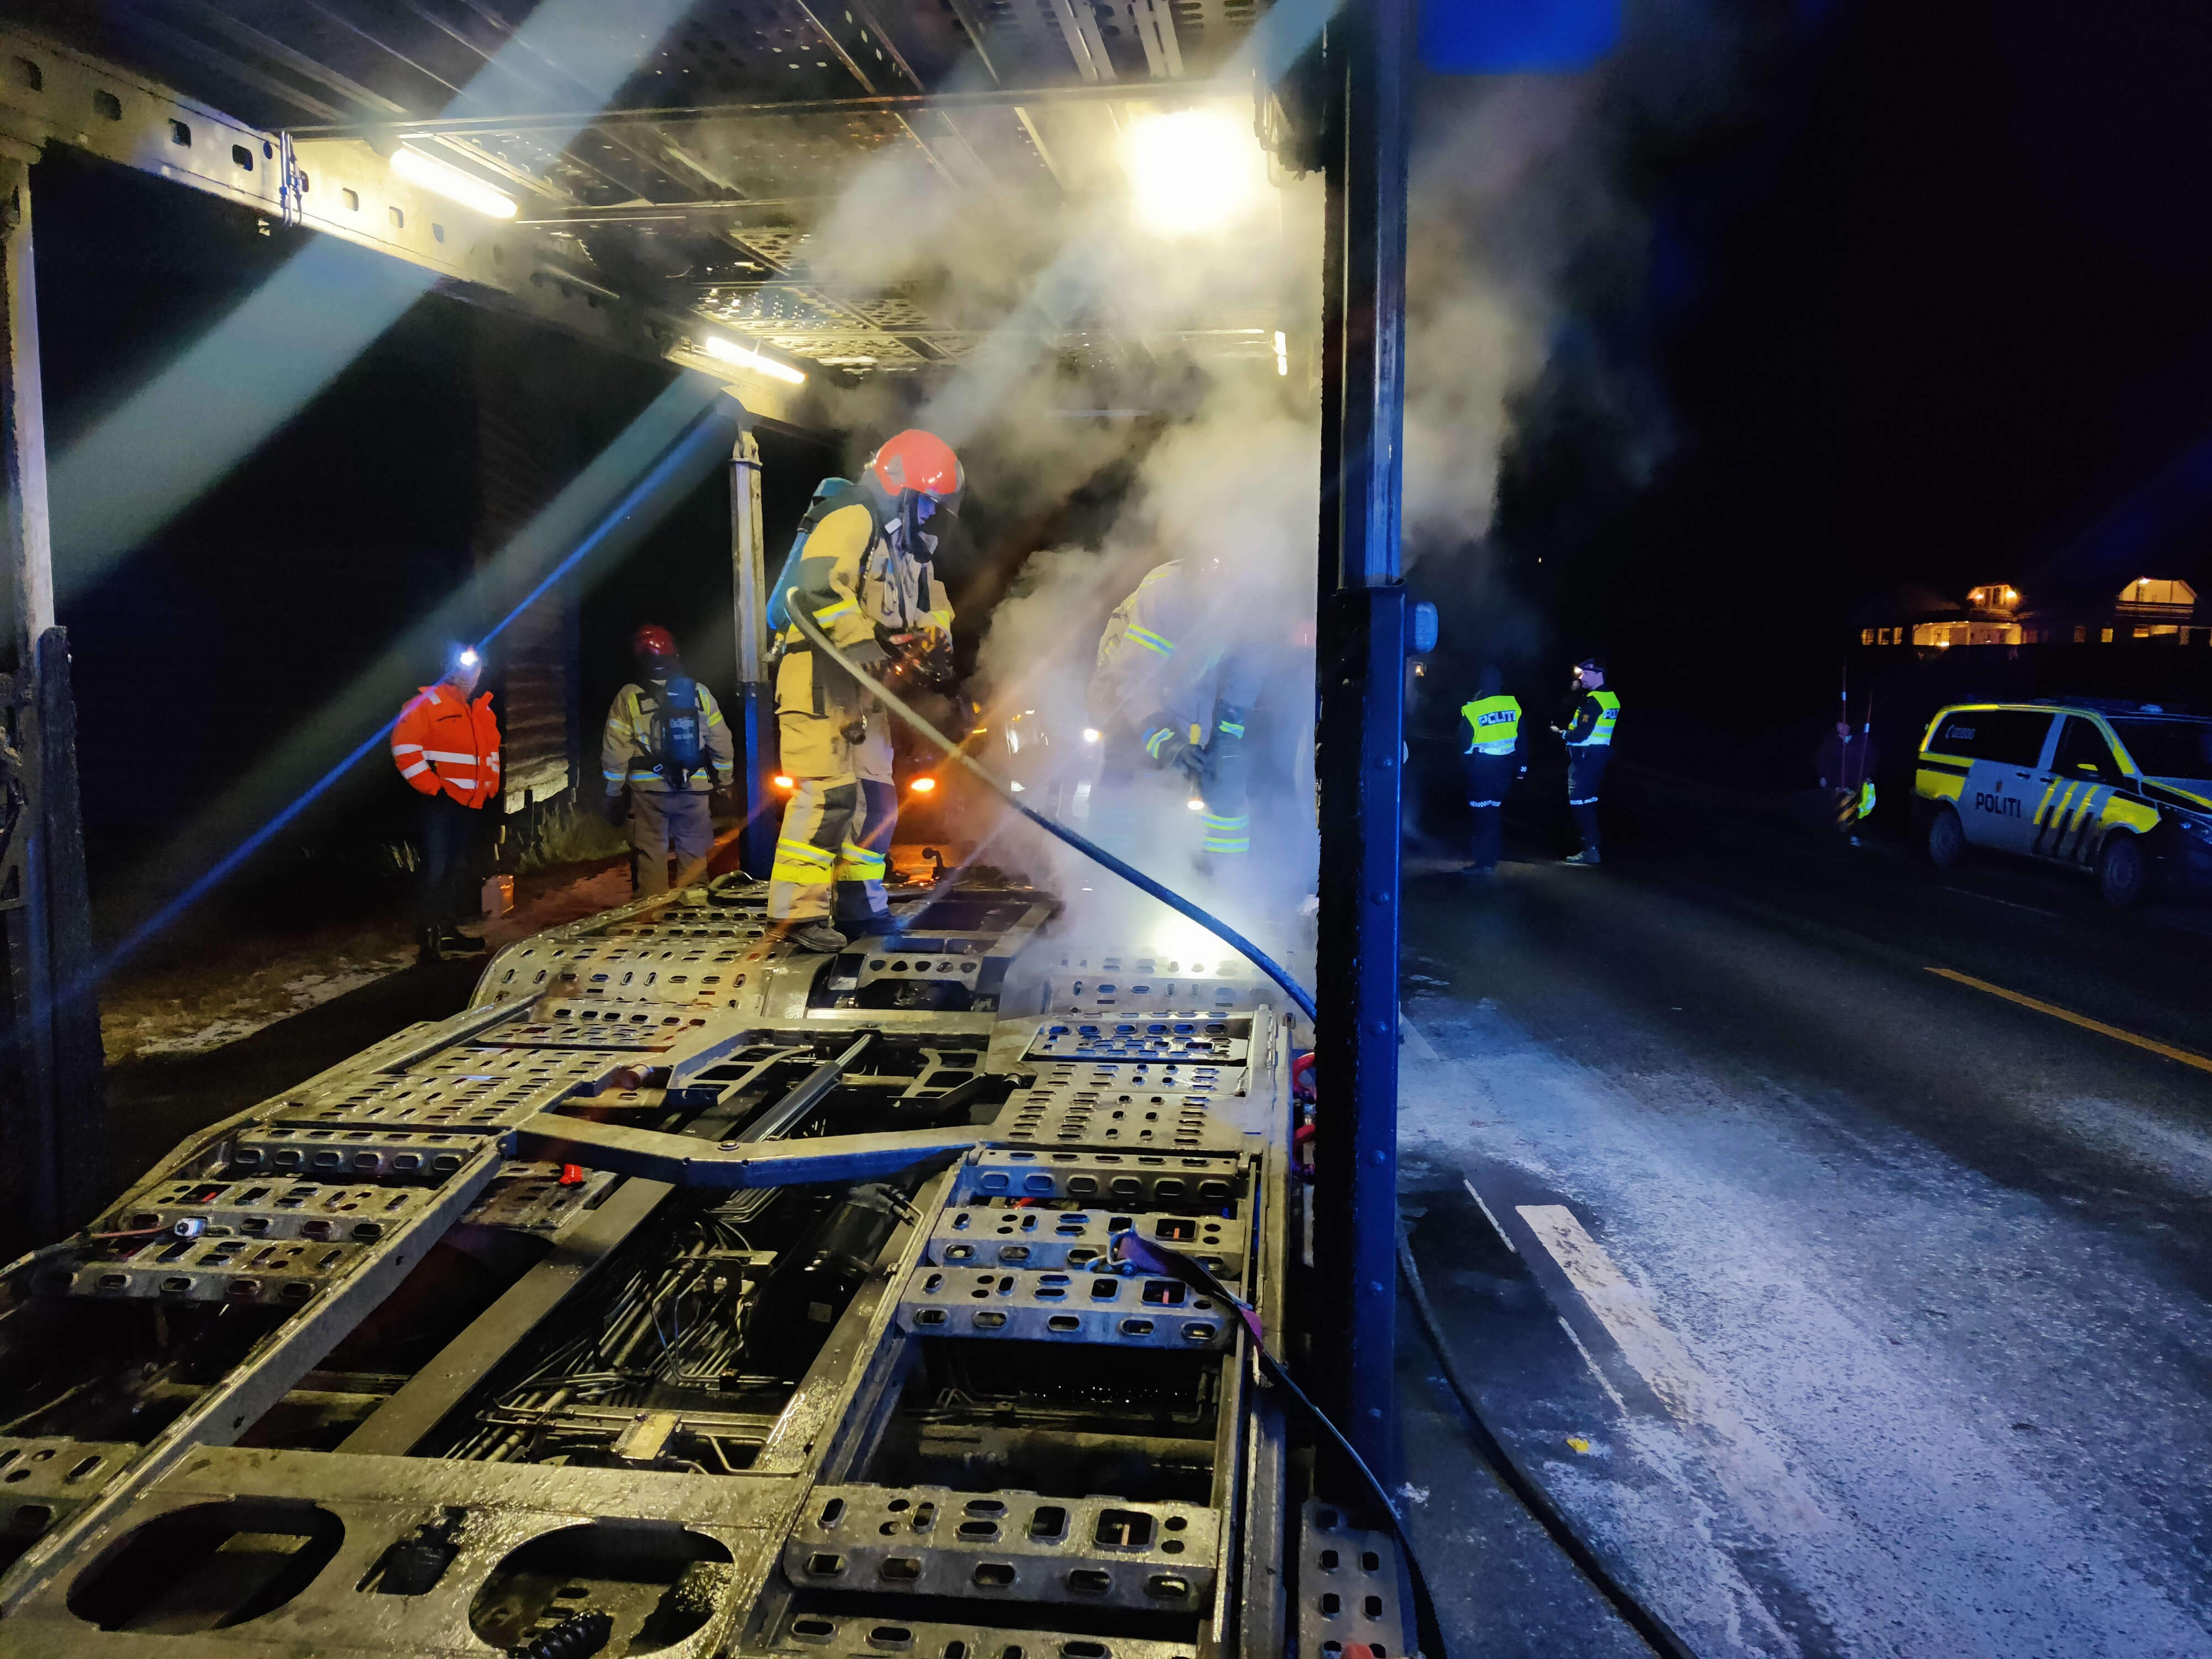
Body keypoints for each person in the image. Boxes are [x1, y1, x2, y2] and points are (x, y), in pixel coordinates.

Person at [769, 429, 961, 952]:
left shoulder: (905, 547)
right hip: (819, 680)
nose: (931, 515)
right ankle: (796, 917)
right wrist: (866, 644)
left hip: (864, 691)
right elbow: (816, 590)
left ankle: (860, 904)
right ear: (901, 486)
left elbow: (932, 605)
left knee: (877, 800)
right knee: (827, 796)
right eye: (928, 502)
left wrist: (932, 638)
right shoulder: (852, 517)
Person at [1088, 556, 1265, 869]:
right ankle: (1112, 869)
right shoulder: (1165, 593)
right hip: (1126, 674)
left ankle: (1221, 874)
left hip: (1193, 675)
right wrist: (1166, 740)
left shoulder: (1257, 605)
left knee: (1219, 772)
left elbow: (1244, 680)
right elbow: (1135, 680)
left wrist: (1225, 739)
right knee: (1126, 755)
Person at [600, 624, 737, 894]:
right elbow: (722, 741)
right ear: (674, 654)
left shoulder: (629, 696)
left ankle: (653, 913)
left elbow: (615, 751)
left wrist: (613, 793)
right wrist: (725, 782)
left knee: (651, 855)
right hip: (694, 788)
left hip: (649, 793)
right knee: (695, 858)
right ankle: (695, 907)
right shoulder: (699, 693)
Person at [392, 643, 500, 963]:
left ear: (481, 672)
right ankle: (428, 937)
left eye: (474, 668)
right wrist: (433, 788)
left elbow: (492, 753)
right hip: (438, 803)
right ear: (448, 669)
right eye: (461, 668)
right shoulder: (426, 703)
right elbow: (404, 748)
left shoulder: (483, 710)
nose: (467, 675)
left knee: (455, 868)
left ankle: (447, 930)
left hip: (470, 803)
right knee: (436, 868)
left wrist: (490, 786)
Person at [1551, 657, 1619, 866]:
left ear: (1599, 674)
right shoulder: (1610, 698)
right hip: (1597, 757)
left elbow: (1580, 734)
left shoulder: (1593, 701)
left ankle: (1590, 849)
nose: (1581, 678)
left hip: (1584, 758)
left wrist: (1560, 733)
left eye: (1585, 673)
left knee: (1580, 804)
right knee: (1588, 803)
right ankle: (1592, 846)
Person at [1459, 665, 1522, 875]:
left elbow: (1465, 744)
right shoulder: (1512, 704)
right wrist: (1522, 767)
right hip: (1505, 767)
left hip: (1483, 767)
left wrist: (1467, 765)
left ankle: (1483, 862)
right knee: (1493, 813)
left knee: (1481, 815)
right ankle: (1492, 858)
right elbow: (1522, 737)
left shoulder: (1474, 709)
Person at [1815, 718, 1877, 846]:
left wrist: (1867, 776)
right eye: (1839, 725)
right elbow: (1822, 758)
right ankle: (1830, 836)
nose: (1841, 727)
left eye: (1844, 725)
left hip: (1854, 782)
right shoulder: (1831, 740)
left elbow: (1870, 760)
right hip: (1834, 782)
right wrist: (1822, 776)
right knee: (1833, 808)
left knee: (1853, 808)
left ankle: (1851, 835)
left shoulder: (1860, 741)